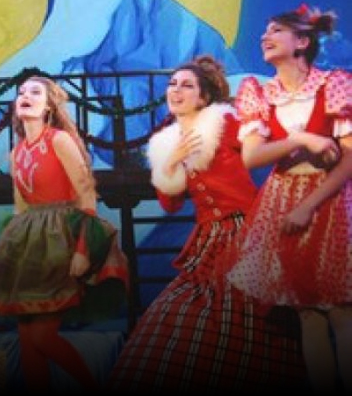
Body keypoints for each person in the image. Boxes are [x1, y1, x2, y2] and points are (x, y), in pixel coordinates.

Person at [108, 56, 305, 391]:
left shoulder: (224, 123)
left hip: (245, 230)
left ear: (204, 97)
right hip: (208, 239)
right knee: (177, 314)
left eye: (187, 85)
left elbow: (264, 146)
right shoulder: (166, 141)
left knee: (250, 314)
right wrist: (170, 163)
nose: (176, 91)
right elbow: (170, 203)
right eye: (172, 84)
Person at [0, 76, 128, 391]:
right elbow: (20, 209)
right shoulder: (16, 152)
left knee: (41, 337)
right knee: (28, 339)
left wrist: (81, 249)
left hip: (61, 236)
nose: (25, 95)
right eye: (21, 92)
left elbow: (86, 194)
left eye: (35, 92)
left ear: (49, 106)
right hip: (31, 241)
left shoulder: (59, 140)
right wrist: (6, 258)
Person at [227, 4, 352, 393]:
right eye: (264, 30)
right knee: (307, 314)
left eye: (276, 30)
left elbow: (349, 159)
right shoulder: (259, 93)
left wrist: (308, 206)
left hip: (331, 200)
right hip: (281, 198)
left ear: (301, 42)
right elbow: (252, 157)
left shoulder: (334, 84)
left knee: (342, 313)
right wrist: (301, 138)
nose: (265, 36)